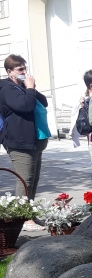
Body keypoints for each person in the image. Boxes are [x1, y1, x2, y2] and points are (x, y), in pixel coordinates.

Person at [0, 53, 50, 229]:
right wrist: (29, 89)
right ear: (9, 72)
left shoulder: (22, 87)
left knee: (33, 179)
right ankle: (24, 219)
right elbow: (25, 106)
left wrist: (31, 88)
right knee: (25, 180)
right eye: (20, 69)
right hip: (19, 141)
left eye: (25, 68)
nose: (24, 72)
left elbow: (43, 102)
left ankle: (29, 215)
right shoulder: (7, 89)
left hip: (34, 140)